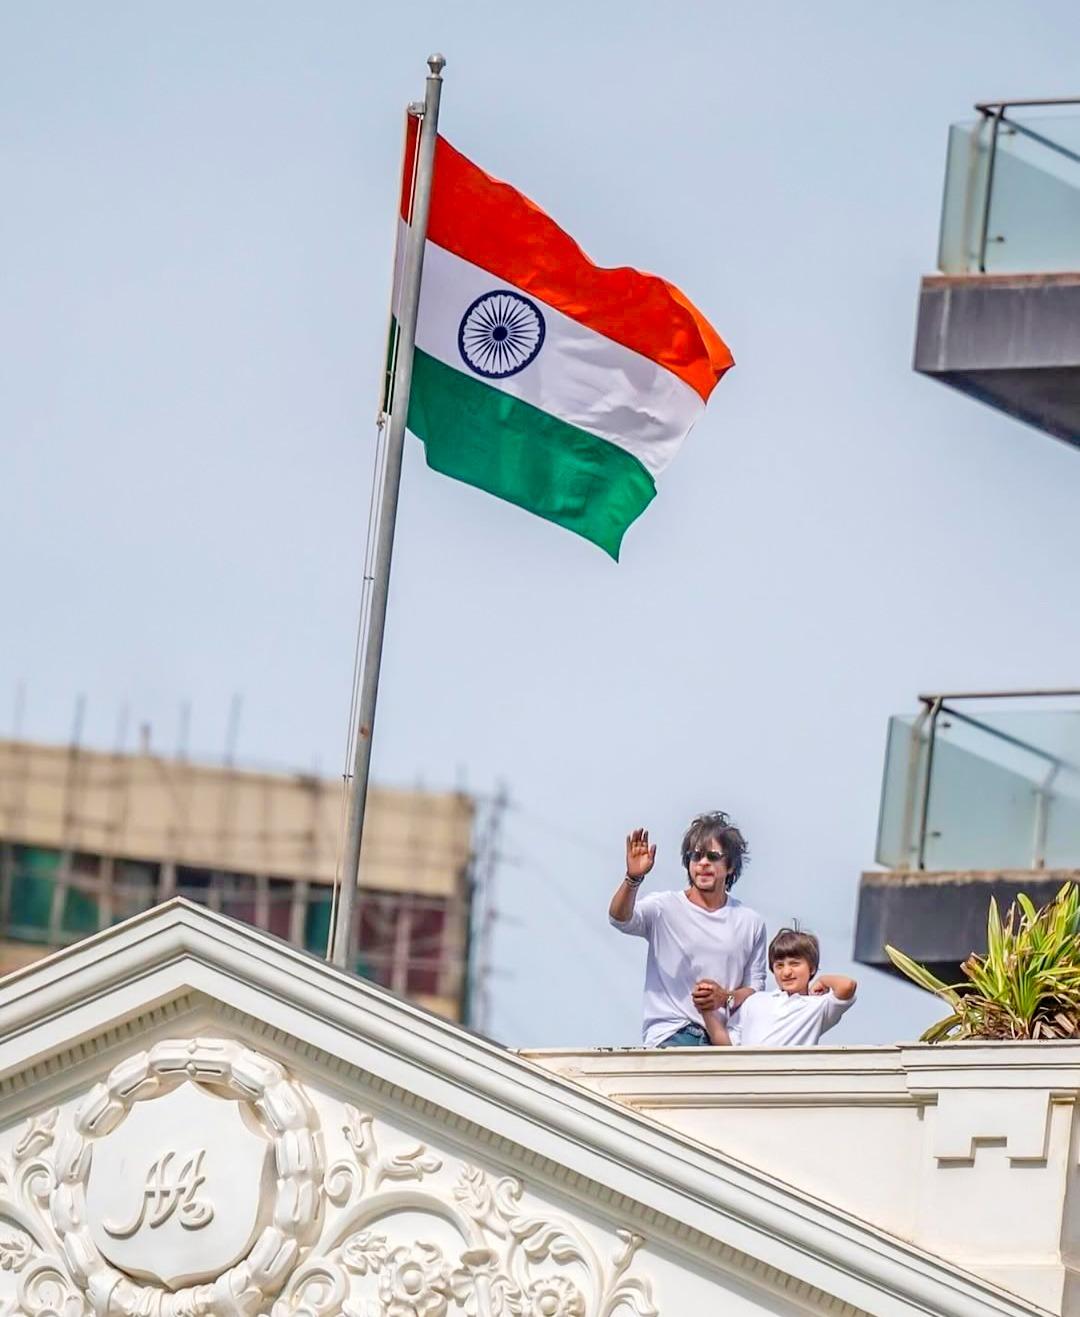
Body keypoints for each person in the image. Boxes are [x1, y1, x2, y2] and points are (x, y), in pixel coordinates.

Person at [608, 811, 767, 1048]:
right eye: (696, 856)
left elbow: (756, 992)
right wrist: (633, 878)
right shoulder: (664, 907)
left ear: (730, 866)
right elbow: (619, 918)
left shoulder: (750, 921)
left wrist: (725, 997)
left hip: (723, 1041)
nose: (703, 863)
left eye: (713, 856)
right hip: (672, 1034)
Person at [700, 927, 856, 1047]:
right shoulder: (754, 1001)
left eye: (795, 964)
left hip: (788, 1085)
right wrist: (706, 1010)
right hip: (749, 1083)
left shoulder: (818, 1006)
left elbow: (847, 986)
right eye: (779, 965)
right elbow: (728, 1046)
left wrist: (822, 980)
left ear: (812, 968)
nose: (786, 972)